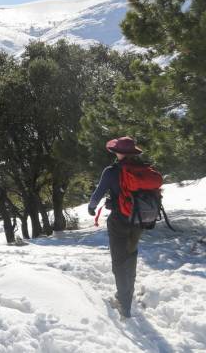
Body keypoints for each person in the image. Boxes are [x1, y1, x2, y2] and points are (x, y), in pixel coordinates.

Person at [87, 136, 145, 318]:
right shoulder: (143, 168)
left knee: (119, 262)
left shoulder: (111, 171)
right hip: (138, 220)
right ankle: (127, 295)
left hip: (119, 221)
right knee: (131, 256)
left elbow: (98, 192)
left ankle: (123, 303)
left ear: (118, 152)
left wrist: (92, 206)